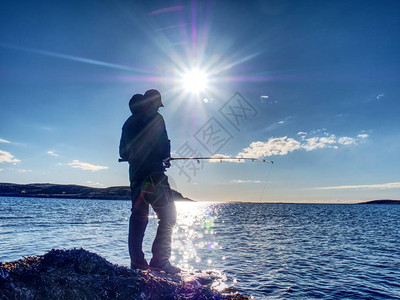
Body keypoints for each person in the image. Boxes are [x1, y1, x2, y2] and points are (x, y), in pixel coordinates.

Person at [119, 89, 180, 274]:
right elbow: (162, 150)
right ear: (155, 103)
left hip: (136, 177)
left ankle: (136, 263)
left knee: (138, 218)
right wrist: (165, 157)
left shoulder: (128, 123)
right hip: (154, 176)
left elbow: (123, 153)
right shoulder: (156, 118)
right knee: (168, 216)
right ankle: (160, 261)